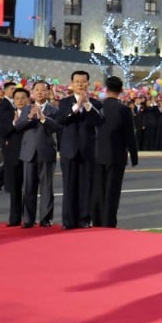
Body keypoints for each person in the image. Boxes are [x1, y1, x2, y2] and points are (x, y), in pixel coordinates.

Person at [57, 70, 103, 229]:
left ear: (88, 84)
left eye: (83, 82)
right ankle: (68, 221)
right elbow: (61, 120)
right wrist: (77, 107)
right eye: (77, 82)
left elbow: (100, 122)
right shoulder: (64, 102)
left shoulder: (96, 103)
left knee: (86, 187)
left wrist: (88, 105)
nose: (80, 84)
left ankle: (84, 219)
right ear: (72, 84)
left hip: (87, 150)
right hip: (69, 150)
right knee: (69, 187)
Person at [92, 76, 139, 228]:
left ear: (106, 88)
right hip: (117, 154)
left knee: (98, 190)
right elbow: (129, 135)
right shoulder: (124, 110)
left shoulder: (97, 107)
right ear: (121, 90)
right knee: (112, 191)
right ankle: (109, 222)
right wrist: (134, 156)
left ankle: (97, 221)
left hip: (97, 153)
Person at [17, 81, 60, 228]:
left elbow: (57, 127)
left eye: (43, 90)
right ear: (32, 92)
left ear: (48, 92)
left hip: (46, 152)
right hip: (28, 153)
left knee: (47, 188)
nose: (40, 92)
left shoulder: (53, 110)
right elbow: (18, 126)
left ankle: (45, 219)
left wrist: (43, 118)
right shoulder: (27, 108)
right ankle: (28, 219)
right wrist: (29, 117)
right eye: (37, 90)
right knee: (28, 188)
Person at [0, 87, 29, 227]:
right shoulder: (8, 115)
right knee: (15, 190)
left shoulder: (32, 113)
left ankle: (29, 218)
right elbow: (3, 132)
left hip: (30, 155)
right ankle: (14, 218)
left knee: (29, 189)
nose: (20, 101)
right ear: (13, 101)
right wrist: (14, 124)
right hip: (14, 156)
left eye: (23, 98)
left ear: (28, 99)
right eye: (17, 98)